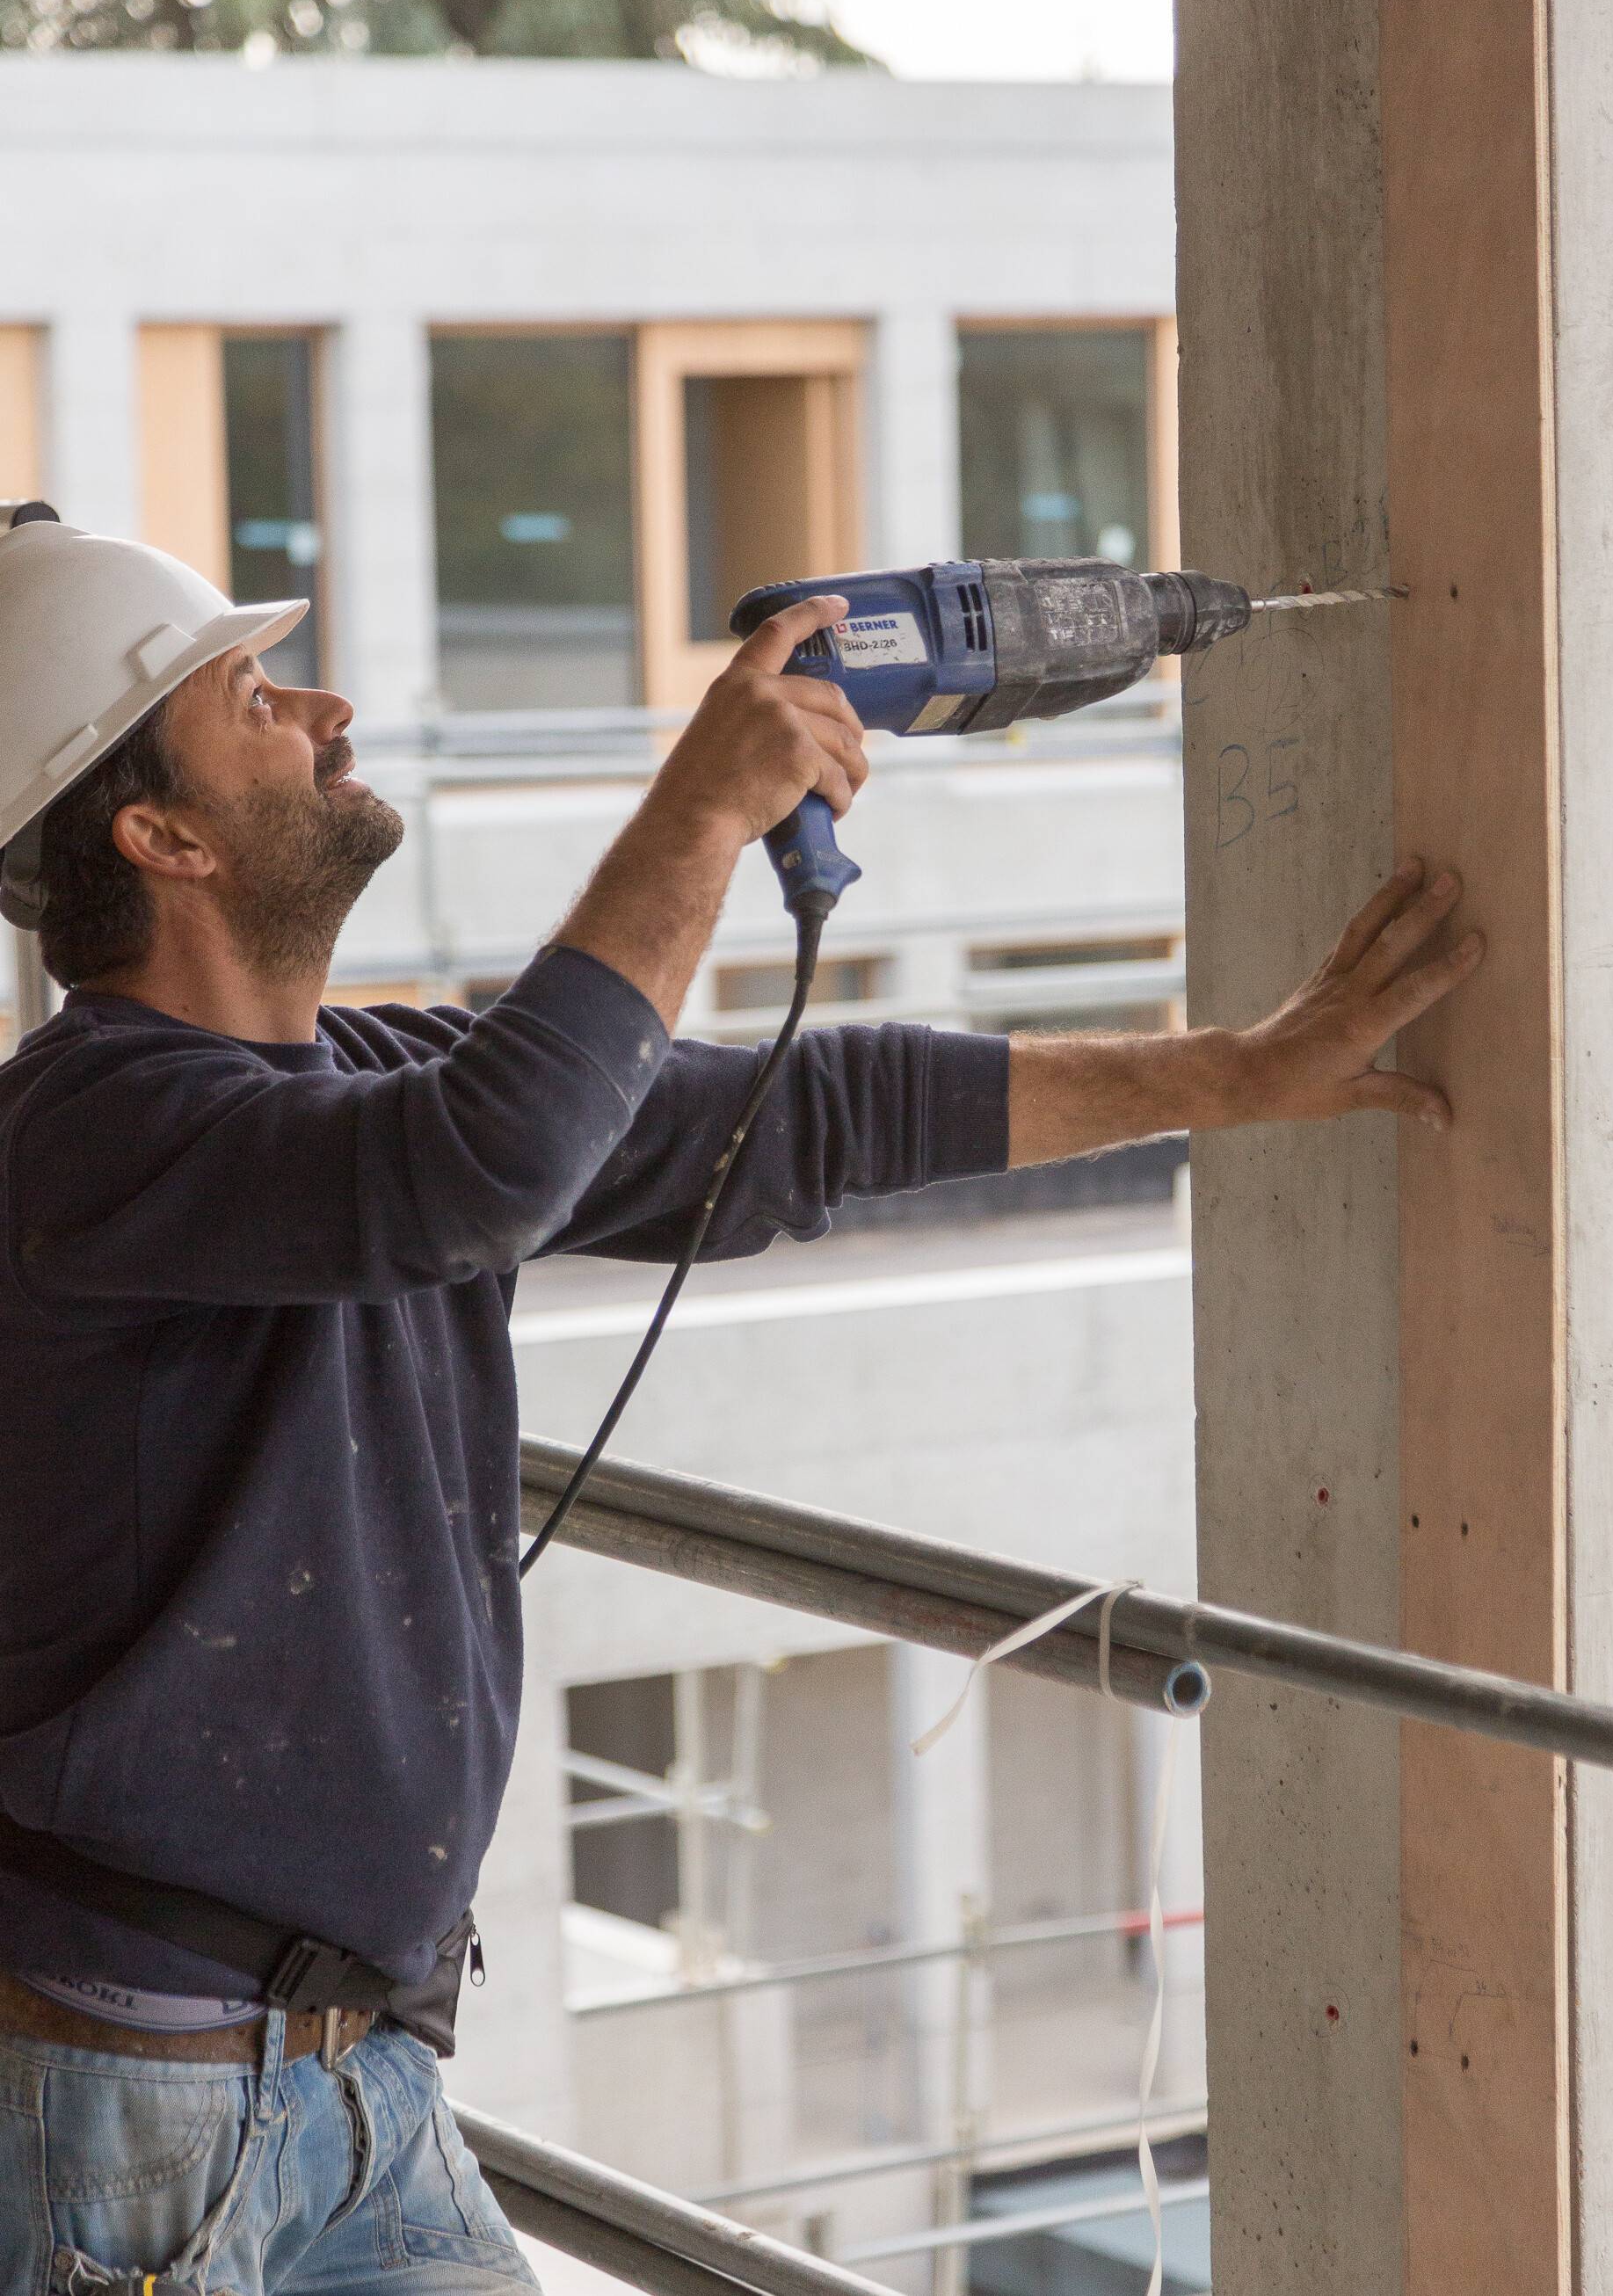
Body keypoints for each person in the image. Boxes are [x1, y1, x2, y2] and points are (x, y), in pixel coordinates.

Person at [0, 516, 1481, 2292]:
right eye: (252, 698)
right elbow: (476, 1173)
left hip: (363, 2084)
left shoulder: (372, 1079)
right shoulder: (85, 1132)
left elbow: (801, 1116)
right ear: (159, 833)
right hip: (128, 2112)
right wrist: (698, 808)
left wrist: (1234, 1074)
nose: (320, 709)